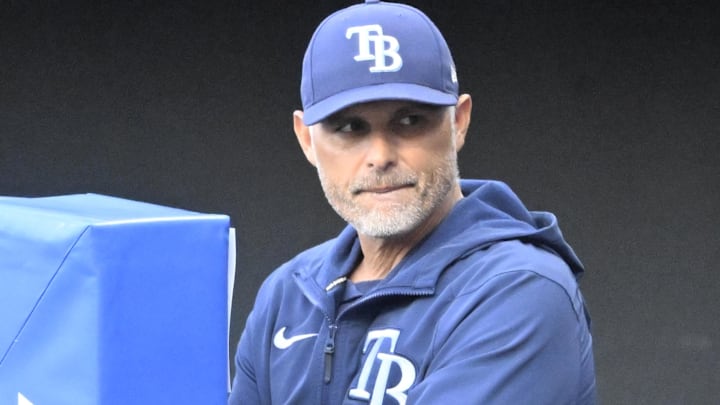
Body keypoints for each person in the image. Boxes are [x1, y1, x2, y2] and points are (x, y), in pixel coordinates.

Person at [228, 0, 597, 403]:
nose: (380, 155)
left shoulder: (519, 289)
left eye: (409, 121)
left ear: (458, 121)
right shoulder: (288, 293)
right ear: (306, 139)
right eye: (350, 127)